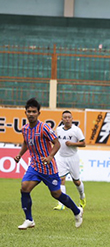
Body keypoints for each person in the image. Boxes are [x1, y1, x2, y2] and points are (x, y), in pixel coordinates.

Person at [14, 98, 83, 230]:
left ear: (38, 113)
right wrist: (20, 154)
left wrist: (50, 156)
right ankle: (29, 219)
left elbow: (56, 143)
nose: (31, 114)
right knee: (24, 188)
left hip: (48, 167)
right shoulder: (25, 129)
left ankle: (77, 211)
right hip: (34, 166)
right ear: (25, 113)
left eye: (34, 111)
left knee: (56, 194)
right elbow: (26, 142)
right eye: (29, 111)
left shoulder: (44, 127)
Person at [53, 110, 87, 211]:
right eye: (65, 117)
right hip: (61, 158)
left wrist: (73, 144)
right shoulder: (58, 130)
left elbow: (84, 143)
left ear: (72, 119)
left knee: (76, 181)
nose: (67, 119)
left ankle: (82, 197)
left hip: (73, 158)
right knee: (61, 180)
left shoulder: (76, 130)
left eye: (69, 117)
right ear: (62, 119)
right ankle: (61, 203)